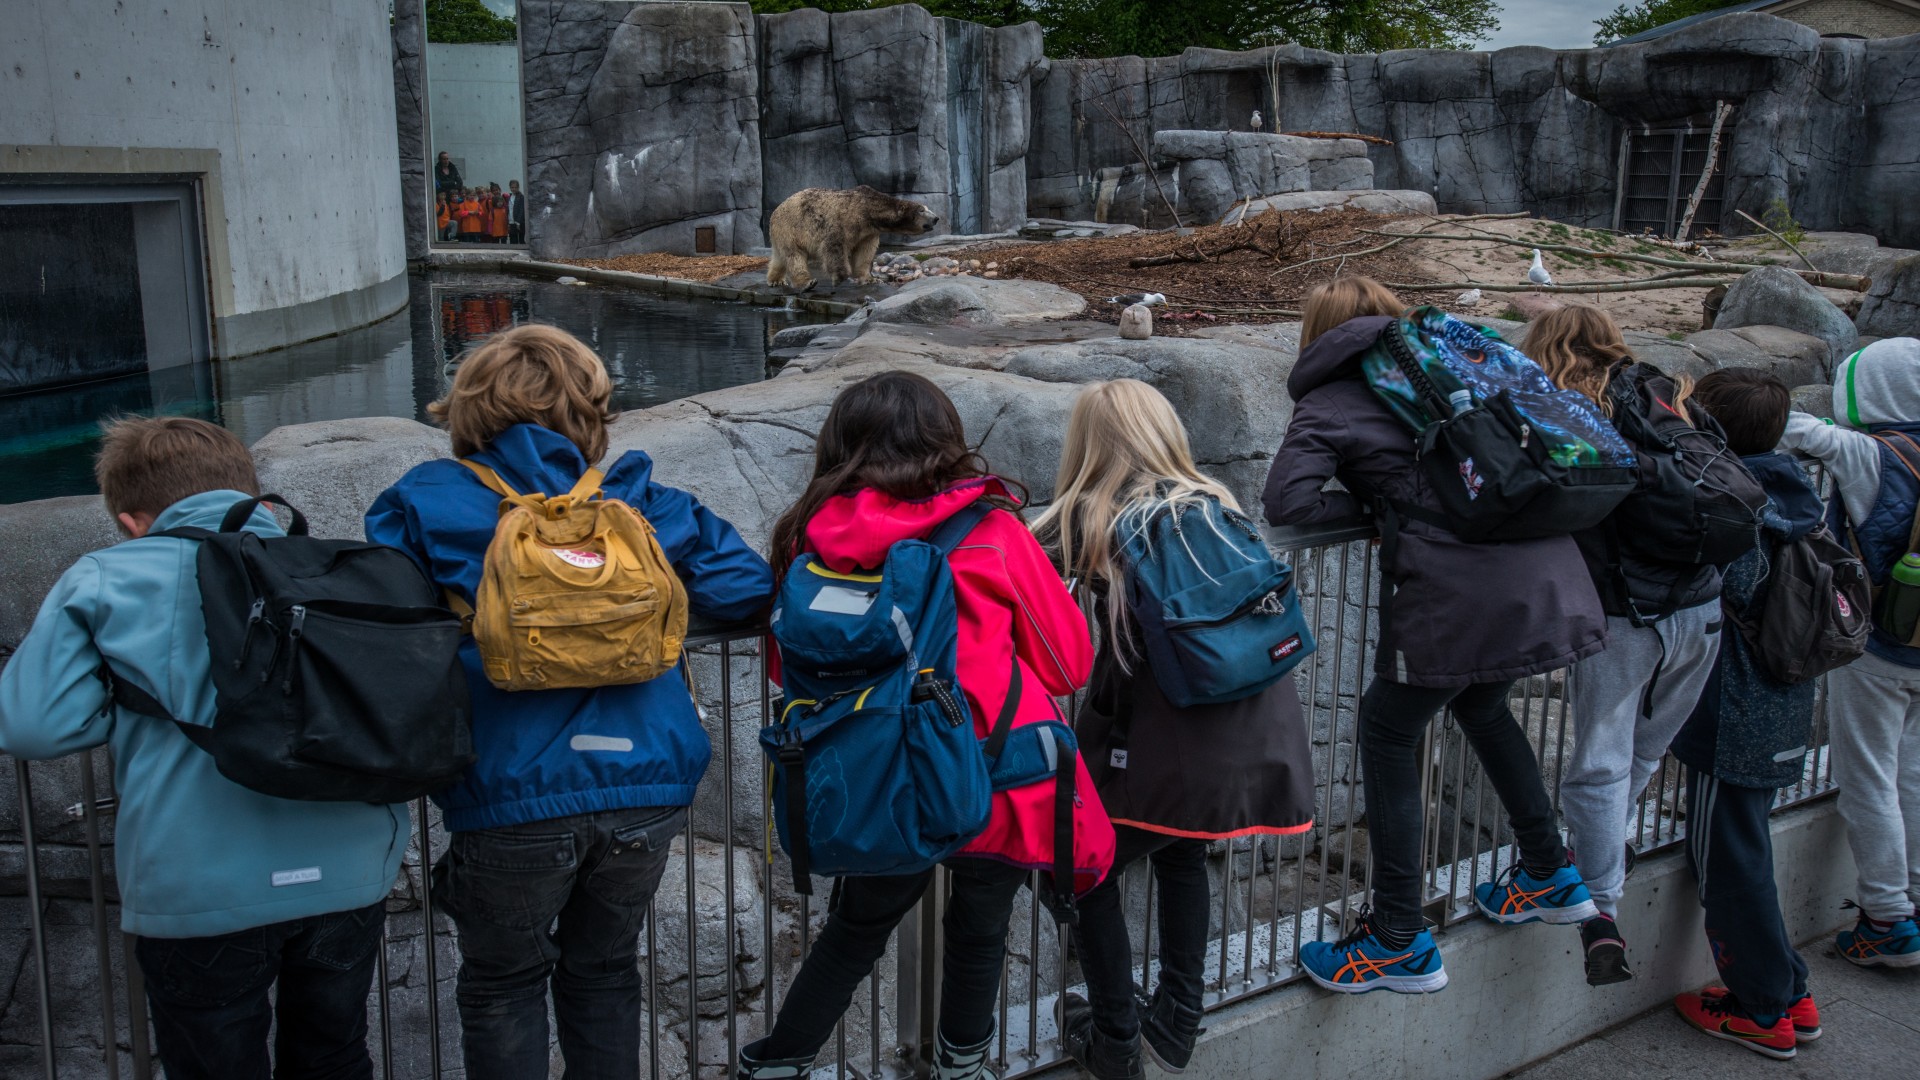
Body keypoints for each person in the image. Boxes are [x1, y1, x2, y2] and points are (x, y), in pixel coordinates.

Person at [365, 325, 775, 1080]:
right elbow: (747, 589)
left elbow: (386, 622)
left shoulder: (425, 502)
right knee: (605, 971)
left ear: (469, 407)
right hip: (647, 786)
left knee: (503, 982)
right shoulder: (639, 497)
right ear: (591, 409)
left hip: (511, 789)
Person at [0, 417, 406, 1079]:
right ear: (249, 489)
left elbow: (33, 725)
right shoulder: (332, 562)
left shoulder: (108, 576)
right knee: (333, 1056)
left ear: (133, 521)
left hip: (199, 885)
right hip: (348, 870)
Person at [737, 370, 1113, 1080]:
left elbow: (789, 669)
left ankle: (776, 1066)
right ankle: (959, 1068)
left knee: (853, 933)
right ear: (946, 441)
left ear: (841, 444)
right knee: (980, 929)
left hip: (877, 773)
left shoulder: (806, 535)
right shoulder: (991, 530)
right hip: (987, 765)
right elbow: (1068, 664)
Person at [1264, 277, 1604, 995]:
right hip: (1546, 574)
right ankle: (1548, 866)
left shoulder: (1332, 398)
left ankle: (1397, 936)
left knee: (1387, 732)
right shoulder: (1463, 371)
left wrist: (1376, 503)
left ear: (1319, 335)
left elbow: (1288, 501)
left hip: (1459, 598)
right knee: (1482, 707)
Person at [1037, 379, 1316, 1078]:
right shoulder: (1218, 506)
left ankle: (1117, 1042)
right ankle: (1177, 1019)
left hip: (1163, 742)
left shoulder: (1088, 523)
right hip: (1246, 731)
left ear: (1088, 446)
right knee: (1180, 846)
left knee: (1082, 869)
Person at [1531, 304, 1726, 985]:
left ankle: (1599, 912)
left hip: (1626, 618)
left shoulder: (1571, 416)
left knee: (1599, 764)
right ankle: (1606, 847)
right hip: (1704, 609)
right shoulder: (1667, 395)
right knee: (1642, 751)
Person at [1668, 369, 1825, 1058]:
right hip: (1784, 702)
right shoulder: (1797, 489)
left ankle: (1762, 1010)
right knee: (1749, 849)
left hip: (1733, 715)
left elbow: (1723, 586)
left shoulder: (1736, 505)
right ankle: (1790, 990)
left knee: (1726, 863)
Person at [1777, 336, 1920, 968]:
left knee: (1867, 778)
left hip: (1881, 649)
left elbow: (1789, 425)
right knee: (1916, 775)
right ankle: (1913, 900)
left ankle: (1887, 918)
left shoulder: (1871, 455)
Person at [508, 180, 527, 245]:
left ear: (518, 187)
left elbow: (522, 210)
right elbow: (509, 209)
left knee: (521, 239)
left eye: (515, 187)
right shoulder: (509, 197)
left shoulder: (521, 197)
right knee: (513, 239)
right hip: (511, 221)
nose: (514, 189)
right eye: (512, 187)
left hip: (519, 222)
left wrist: (518, 222)